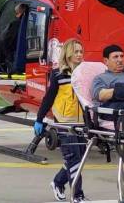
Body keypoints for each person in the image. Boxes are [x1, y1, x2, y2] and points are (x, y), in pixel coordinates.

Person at [34, 39, 88, 203]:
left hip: (82, 122)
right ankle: (77, 195)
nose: (79, 55)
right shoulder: (58, 73)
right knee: (73, 158)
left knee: (79, 158)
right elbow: (49, 97)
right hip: (64, 121)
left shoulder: (84, 73)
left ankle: (58, 182)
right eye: (75, 52)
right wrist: (39, 119)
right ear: (68, 53)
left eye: (81, 51)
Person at [0, 3, 28, 73]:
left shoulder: (16, 24)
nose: (16, 15)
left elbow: (4, 41)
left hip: (16, 59)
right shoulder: (31, 22)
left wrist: (7, 56)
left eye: (16, 13)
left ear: (20, 12)